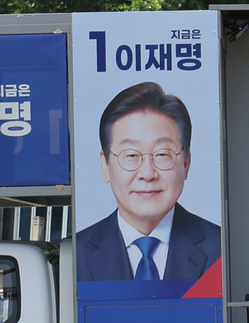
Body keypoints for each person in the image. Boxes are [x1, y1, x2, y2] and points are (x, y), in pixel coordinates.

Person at [76, 81, 222, 282]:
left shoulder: (224, 250)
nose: (147, 173)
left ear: (186, 163)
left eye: (162, 154)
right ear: (105, 165)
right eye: (131, 155)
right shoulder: (76, 255)